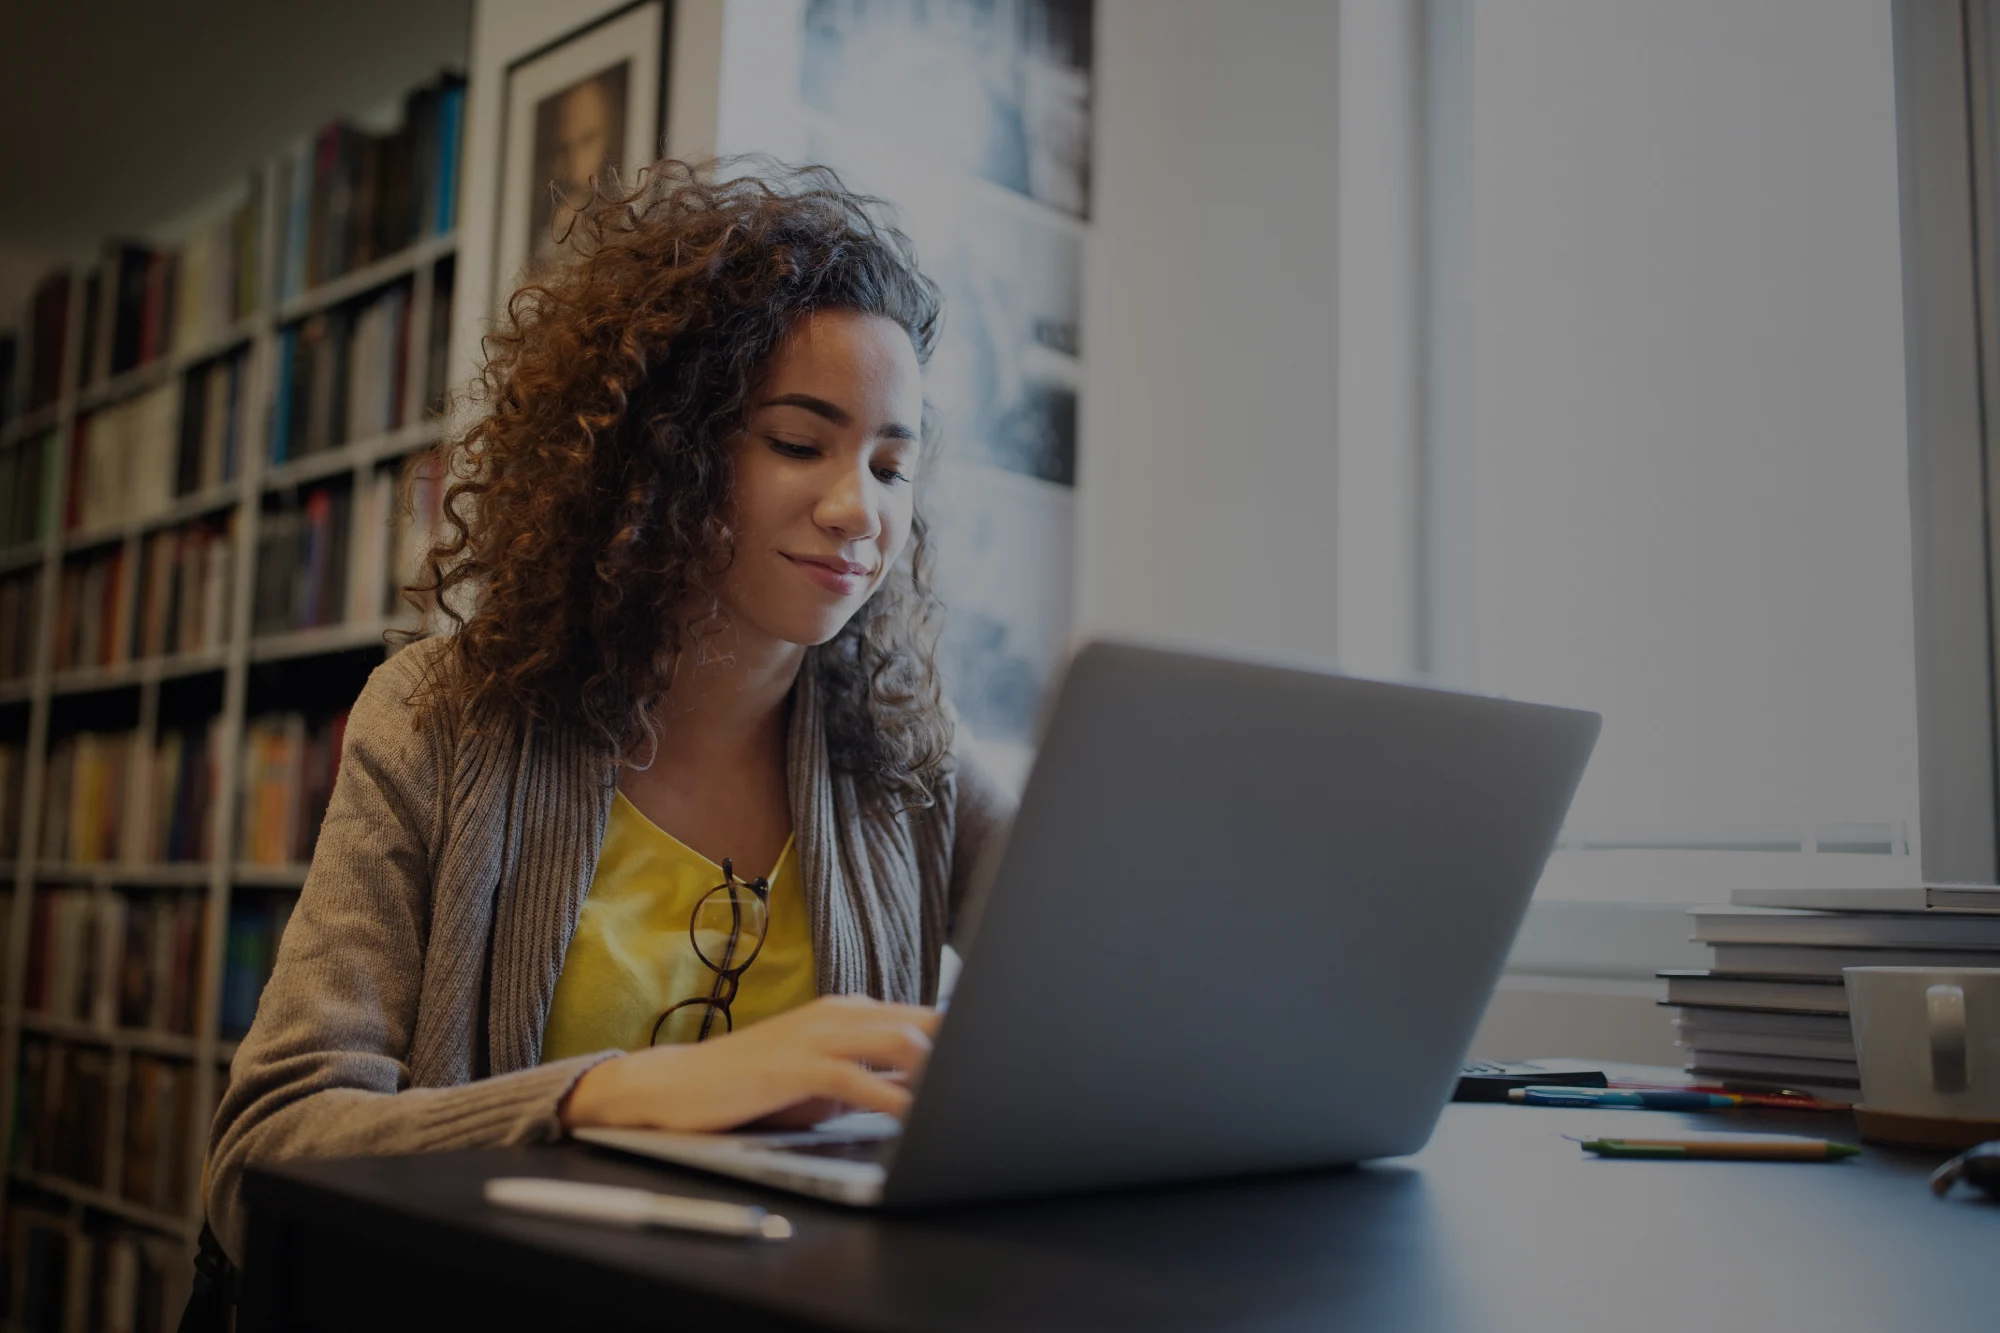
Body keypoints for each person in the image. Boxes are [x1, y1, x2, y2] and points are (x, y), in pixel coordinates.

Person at [200, 159, 1014, 1269]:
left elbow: (1127, 985)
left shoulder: (912, 752)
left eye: (889, 464)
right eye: (796, 442)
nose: (856, 512)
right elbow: (264, 1156)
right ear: (659, 448)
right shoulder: (442, 717)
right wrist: (618, 1095)